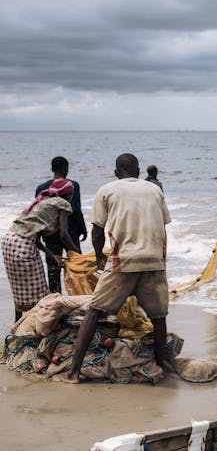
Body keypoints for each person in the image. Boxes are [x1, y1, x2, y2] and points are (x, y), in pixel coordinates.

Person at [58, 154, 171, 383]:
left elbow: (98, 230)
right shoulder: (155, 190)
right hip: (153, 260)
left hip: (123, 261)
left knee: (95, 311)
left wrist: (100, 256)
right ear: (138, 171)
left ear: (116, 171)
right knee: (158, 317)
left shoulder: (107, 190)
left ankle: (73, 373)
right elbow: (162, 226)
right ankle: (161, 367)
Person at [2, 179, 79, 321]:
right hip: (23, 245)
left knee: (19, 288)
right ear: (68, 194)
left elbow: (34, 236)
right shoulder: (63, 203)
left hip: (9, 241)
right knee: (39, 291)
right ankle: (41, 323)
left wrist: (52, 255)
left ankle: (17, 323)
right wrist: (78, 255)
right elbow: (64, 235)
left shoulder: (42, 202)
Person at [35, 156, 87, 294]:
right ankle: (78, 296)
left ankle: (56, 298)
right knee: (77, 265)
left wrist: (39, 236)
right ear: (67, 169)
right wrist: (83, 229)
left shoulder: (41, 188)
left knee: (53, 268)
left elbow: (38, 212)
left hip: (49, 234)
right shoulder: (72, 185)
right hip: (70, 232)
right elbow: (76, 209)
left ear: (52, 169)